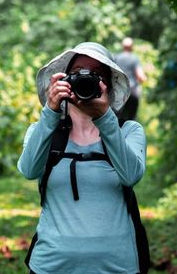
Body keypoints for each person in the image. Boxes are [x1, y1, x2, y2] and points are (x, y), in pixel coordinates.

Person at [18, 42, 148, 274]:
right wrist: (50, 112)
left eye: (96, 74)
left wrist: (104, 117)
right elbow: (29, 170)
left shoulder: (129, 131)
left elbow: (130, 176)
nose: (85, 79)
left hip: (117, 266)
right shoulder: (44, 132)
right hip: (51, 265)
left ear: (108, 86)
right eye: (77, 74)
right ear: (63, 81)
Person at [114, 37, 147, 121]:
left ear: (122, 46)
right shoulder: (134, 58)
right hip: (132, 92)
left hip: (119, 91)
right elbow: (140, 76)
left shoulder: (116, 57)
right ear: (132, 47)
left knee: (117, 118)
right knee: (131, 119)